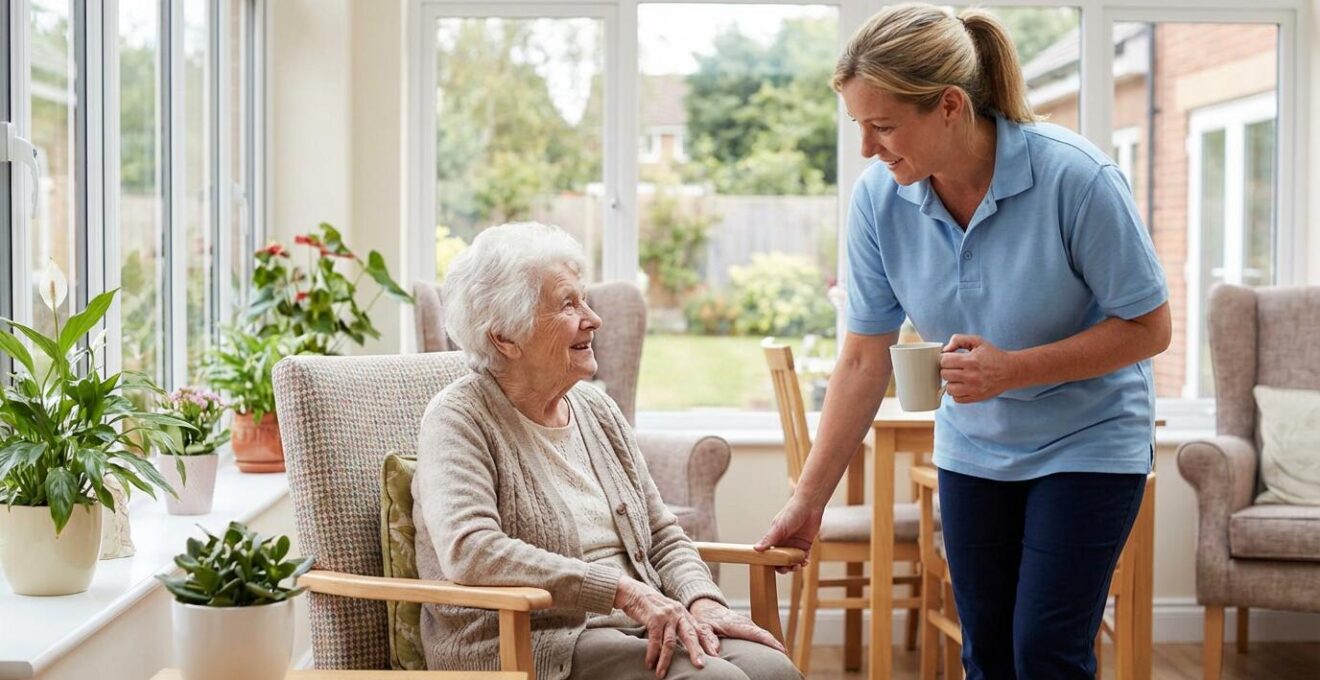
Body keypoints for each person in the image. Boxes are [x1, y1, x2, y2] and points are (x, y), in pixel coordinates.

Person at [754, 4, 1171, 679]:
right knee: (987, 653)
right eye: (860, 126)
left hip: (1088, 440)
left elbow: (1151, 327)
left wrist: (1014, 371)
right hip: (975, 449)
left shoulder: (1076, 179)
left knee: (1044, 650)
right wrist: (808, 499)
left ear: (950, 106)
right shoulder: (880, 201)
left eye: (883, 126)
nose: (868, 148)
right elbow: (864, 357)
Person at [413, 222, 801, 680]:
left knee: (773, 670)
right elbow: (472, 549)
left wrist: (701, 599)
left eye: (585, 300)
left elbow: (660, 532)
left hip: (640, 623)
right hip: (530, 638)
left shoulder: (595, 407)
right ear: (504, 338)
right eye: (568, 305)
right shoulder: (459, 417)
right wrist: (625, 592)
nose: (593, 319)